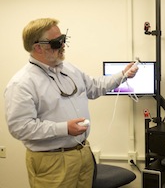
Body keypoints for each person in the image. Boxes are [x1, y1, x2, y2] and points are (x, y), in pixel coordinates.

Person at [4, 18, 138, 188]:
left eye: (64, 39)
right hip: (52, 162)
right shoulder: (22, 83)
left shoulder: (69, 69)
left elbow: (94, 87)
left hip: (82, 154)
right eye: (57, 42)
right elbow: (20, 128)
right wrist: (64, 128)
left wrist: (122, 75)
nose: (63, 45)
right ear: (38, 47)